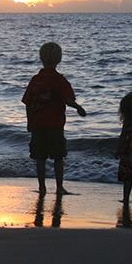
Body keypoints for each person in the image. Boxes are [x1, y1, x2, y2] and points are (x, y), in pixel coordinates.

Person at [22, 42, 86, 195]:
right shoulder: (59, 80)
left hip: (38, 125)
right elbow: (67, 99)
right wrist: (78, 107)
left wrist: (29, 122)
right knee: (58, 157)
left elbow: (27, 102)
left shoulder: (36, 79)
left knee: (40, 158)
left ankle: (42, 187)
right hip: (55, 124)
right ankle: (59, 187)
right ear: (59, 59)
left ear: (41, 58)